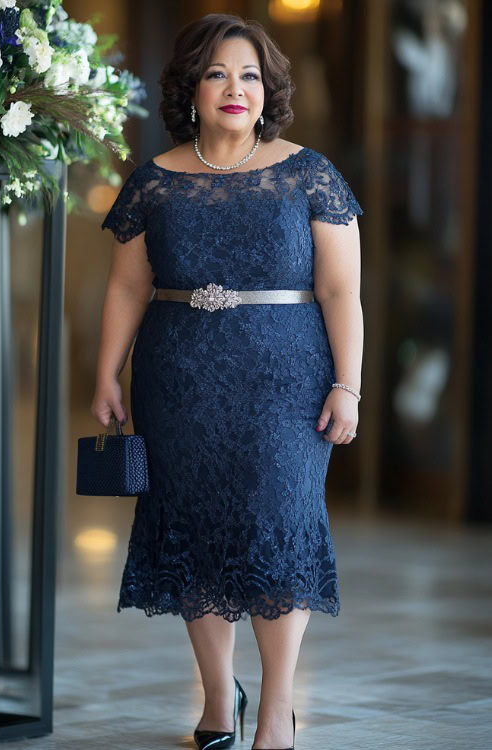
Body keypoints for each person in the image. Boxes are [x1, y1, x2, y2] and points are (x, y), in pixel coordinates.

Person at [94, 12, 363, 750]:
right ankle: (220, 698)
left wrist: (350, 385)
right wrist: (106, 372)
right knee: (194, 531)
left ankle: (276, 711)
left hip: (289, 379)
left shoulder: (311, 173)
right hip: (177, 379)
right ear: (192, 88)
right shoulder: (152, 181)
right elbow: (124, 288)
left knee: (279, 523)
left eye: (250, 75)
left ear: (268, 88)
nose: (235, 89)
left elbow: (342, 293)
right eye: (217, 73)